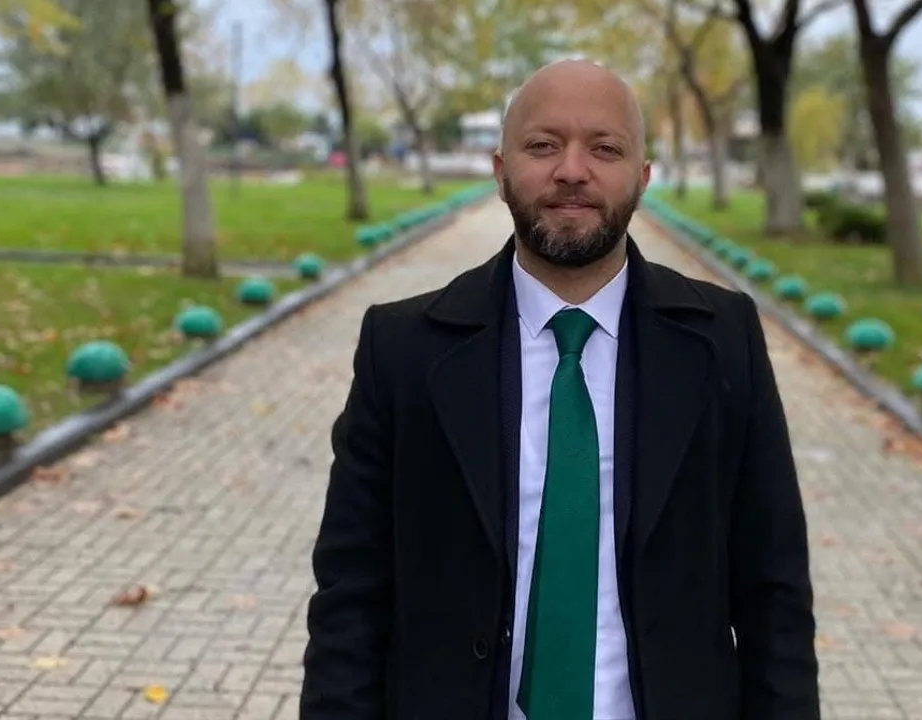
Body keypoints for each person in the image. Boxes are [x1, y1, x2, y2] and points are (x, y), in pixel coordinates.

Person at [300, 58, 819, 720]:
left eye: (605, 149)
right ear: (500, 171)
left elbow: (774, 589)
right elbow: (350, 592)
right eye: (543, 145)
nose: (572, 170)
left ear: (644, 177)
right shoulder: (403, 349)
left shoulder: (723, 340)